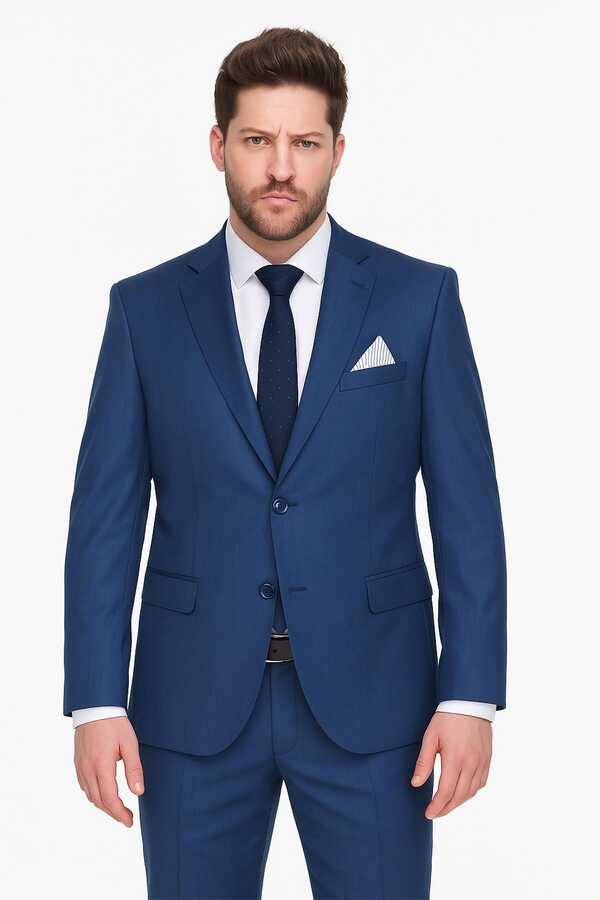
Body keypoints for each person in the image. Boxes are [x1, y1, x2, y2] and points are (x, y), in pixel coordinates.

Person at [63, 26, 507, 899]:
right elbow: (104, 519)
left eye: (304, 143)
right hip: (189, 708)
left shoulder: (419, 300)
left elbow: (468, 510)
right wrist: (95, 699)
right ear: (218, 145)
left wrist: (470, 695)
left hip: (378, 706)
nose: (279, 168)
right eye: (257, 140)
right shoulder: (145, 311)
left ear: (337, 150)